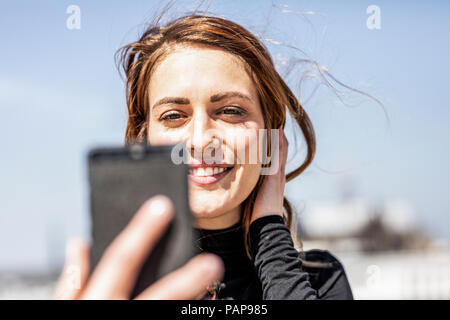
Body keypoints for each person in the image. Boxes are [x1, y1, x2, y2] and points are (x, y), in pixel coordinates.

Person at [54, 13, 353, 300]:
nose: (200, 140)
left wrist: (270, 232)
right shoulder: (111, 288)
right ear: (144, 140)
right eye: (173, 116)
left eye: (231, 111)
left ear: (271, 139)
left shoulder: (321, 281)